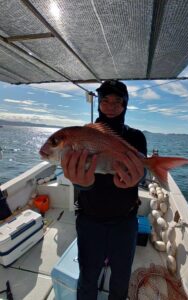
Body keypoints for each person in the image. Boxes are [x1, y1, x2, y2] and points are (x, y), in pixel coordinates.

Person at [61, 80, 147, 300]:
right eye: (105, 100)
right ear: (99, 103)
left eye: (117, 101)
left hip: (125, 221)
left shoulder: (136, 137)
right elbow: (83, 183)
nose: (110, 106)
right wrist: (81, 182)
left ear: (125, 105)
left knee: (120, 279)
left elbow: (142, 174)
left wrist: (137, 179)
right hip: (90, 220)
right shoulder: (82, 135)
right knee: (87, 276)